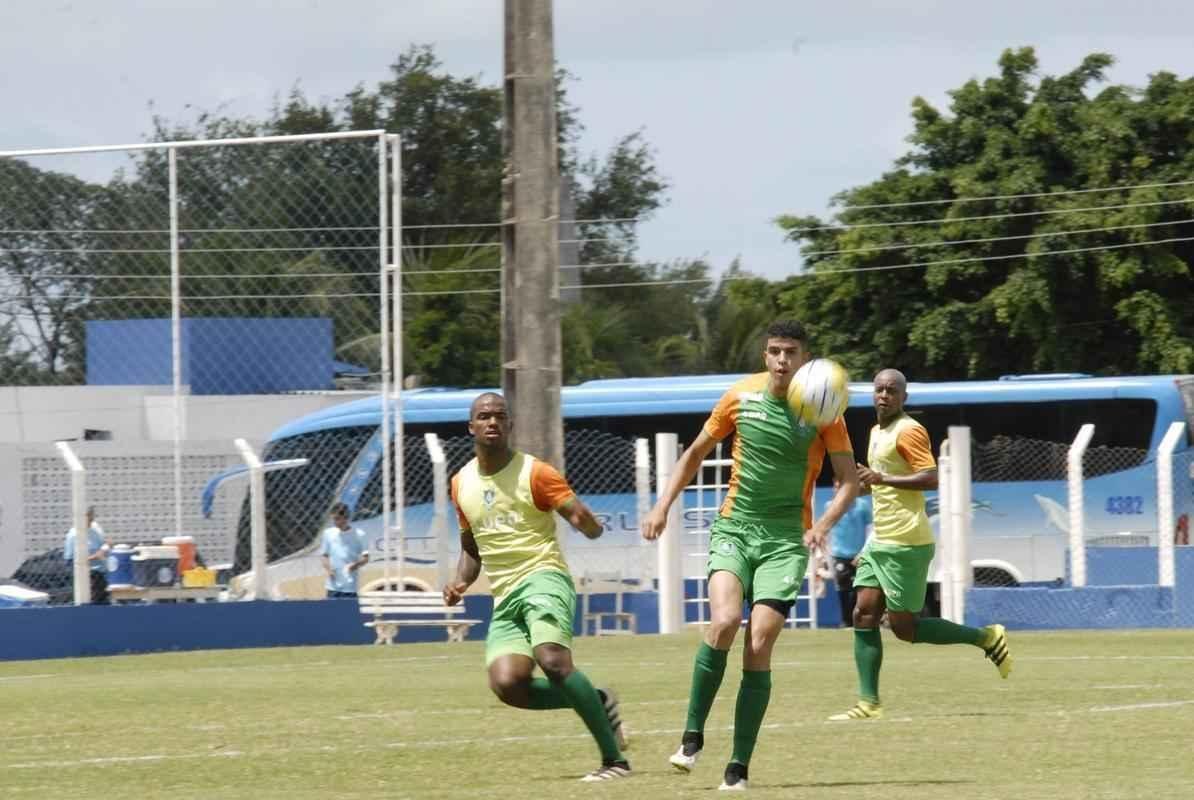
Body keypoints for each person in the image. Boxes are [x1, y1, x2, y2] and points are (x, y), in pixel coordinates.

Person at [642, 319, 860, 791]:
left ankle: (737, 768)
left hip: (786, 538)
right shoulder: (740, 396)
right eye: (775, 351)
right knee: (723, 622)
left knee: (759, 642)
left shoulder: (824, 409)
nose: (783, 360)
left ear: (806, 358)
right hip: (734, 529)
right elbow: (695, 452)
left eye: (792, 352)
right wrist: (662, 505)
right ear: (766, 356)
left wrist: (822, 525)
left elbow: (849, 481)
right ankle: (692, 736)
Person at [443, 392, 631, 783]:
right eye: (484, 416)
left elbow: (576, 512)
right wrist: (461, 580)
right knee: (508, 685)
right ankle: (597, 701)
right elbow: (471, 546)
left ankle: (615, 762)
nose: (492, 422)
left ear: (509, 425)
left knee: (553, 661)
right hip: (506, 595)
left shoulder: (535, 472)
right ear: (471, 427)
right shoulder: (461, 483)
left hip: (544, 577)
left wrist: (590, 525)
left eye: (499, 416)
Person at [829, 368, 1012, 722]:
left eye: (892, 391)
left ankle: (986, 637)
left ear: (904, 398)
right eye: (880, 389)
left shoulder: (909, 430)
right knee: (863, 613)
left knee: (904, 628)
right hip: (881, 539)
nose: (884, 395)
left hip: (906, 541)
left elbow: (931, 477)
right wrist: (866, 485)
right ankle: (869, 703)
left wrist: (881, 477)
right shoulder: (875, 431)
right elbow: (885, 485)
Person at [822, 477, 872, 627]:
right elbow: (827, 530)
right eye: (836, 486)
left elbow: (870, 530)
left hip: (859, 554)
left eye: (841, 486)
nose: (838, 490)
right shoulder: (829, 506)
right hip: (839, 555)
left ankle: (858, 620)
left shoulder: (862, 506)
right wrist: (826, 555)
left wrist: (864, 551)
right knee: (843, 590)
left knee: (859, 589)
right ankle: (846, 622)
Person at [319, 502, 369, 598]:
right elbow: (324, 555)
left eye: (337, 519)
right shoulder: (328, 533)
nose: (335, 522)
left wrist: (354, 565)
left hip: (350, 587)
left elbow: (365, 558)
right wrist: (329, 569)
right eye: (333, 519)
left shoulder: (359, 534)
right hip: (333, 587)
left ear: (345, 517)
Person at [63, 506, 110, 604]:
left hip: (102, 571)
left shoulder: (95, 529)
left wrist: (105, 548)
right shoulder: (73, 535)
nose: (91, 520)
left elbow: (105, 543)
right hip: (89, 574)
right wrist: (93, 557)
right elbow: (70, 561)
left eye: (92, 517)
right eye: (88, 517)